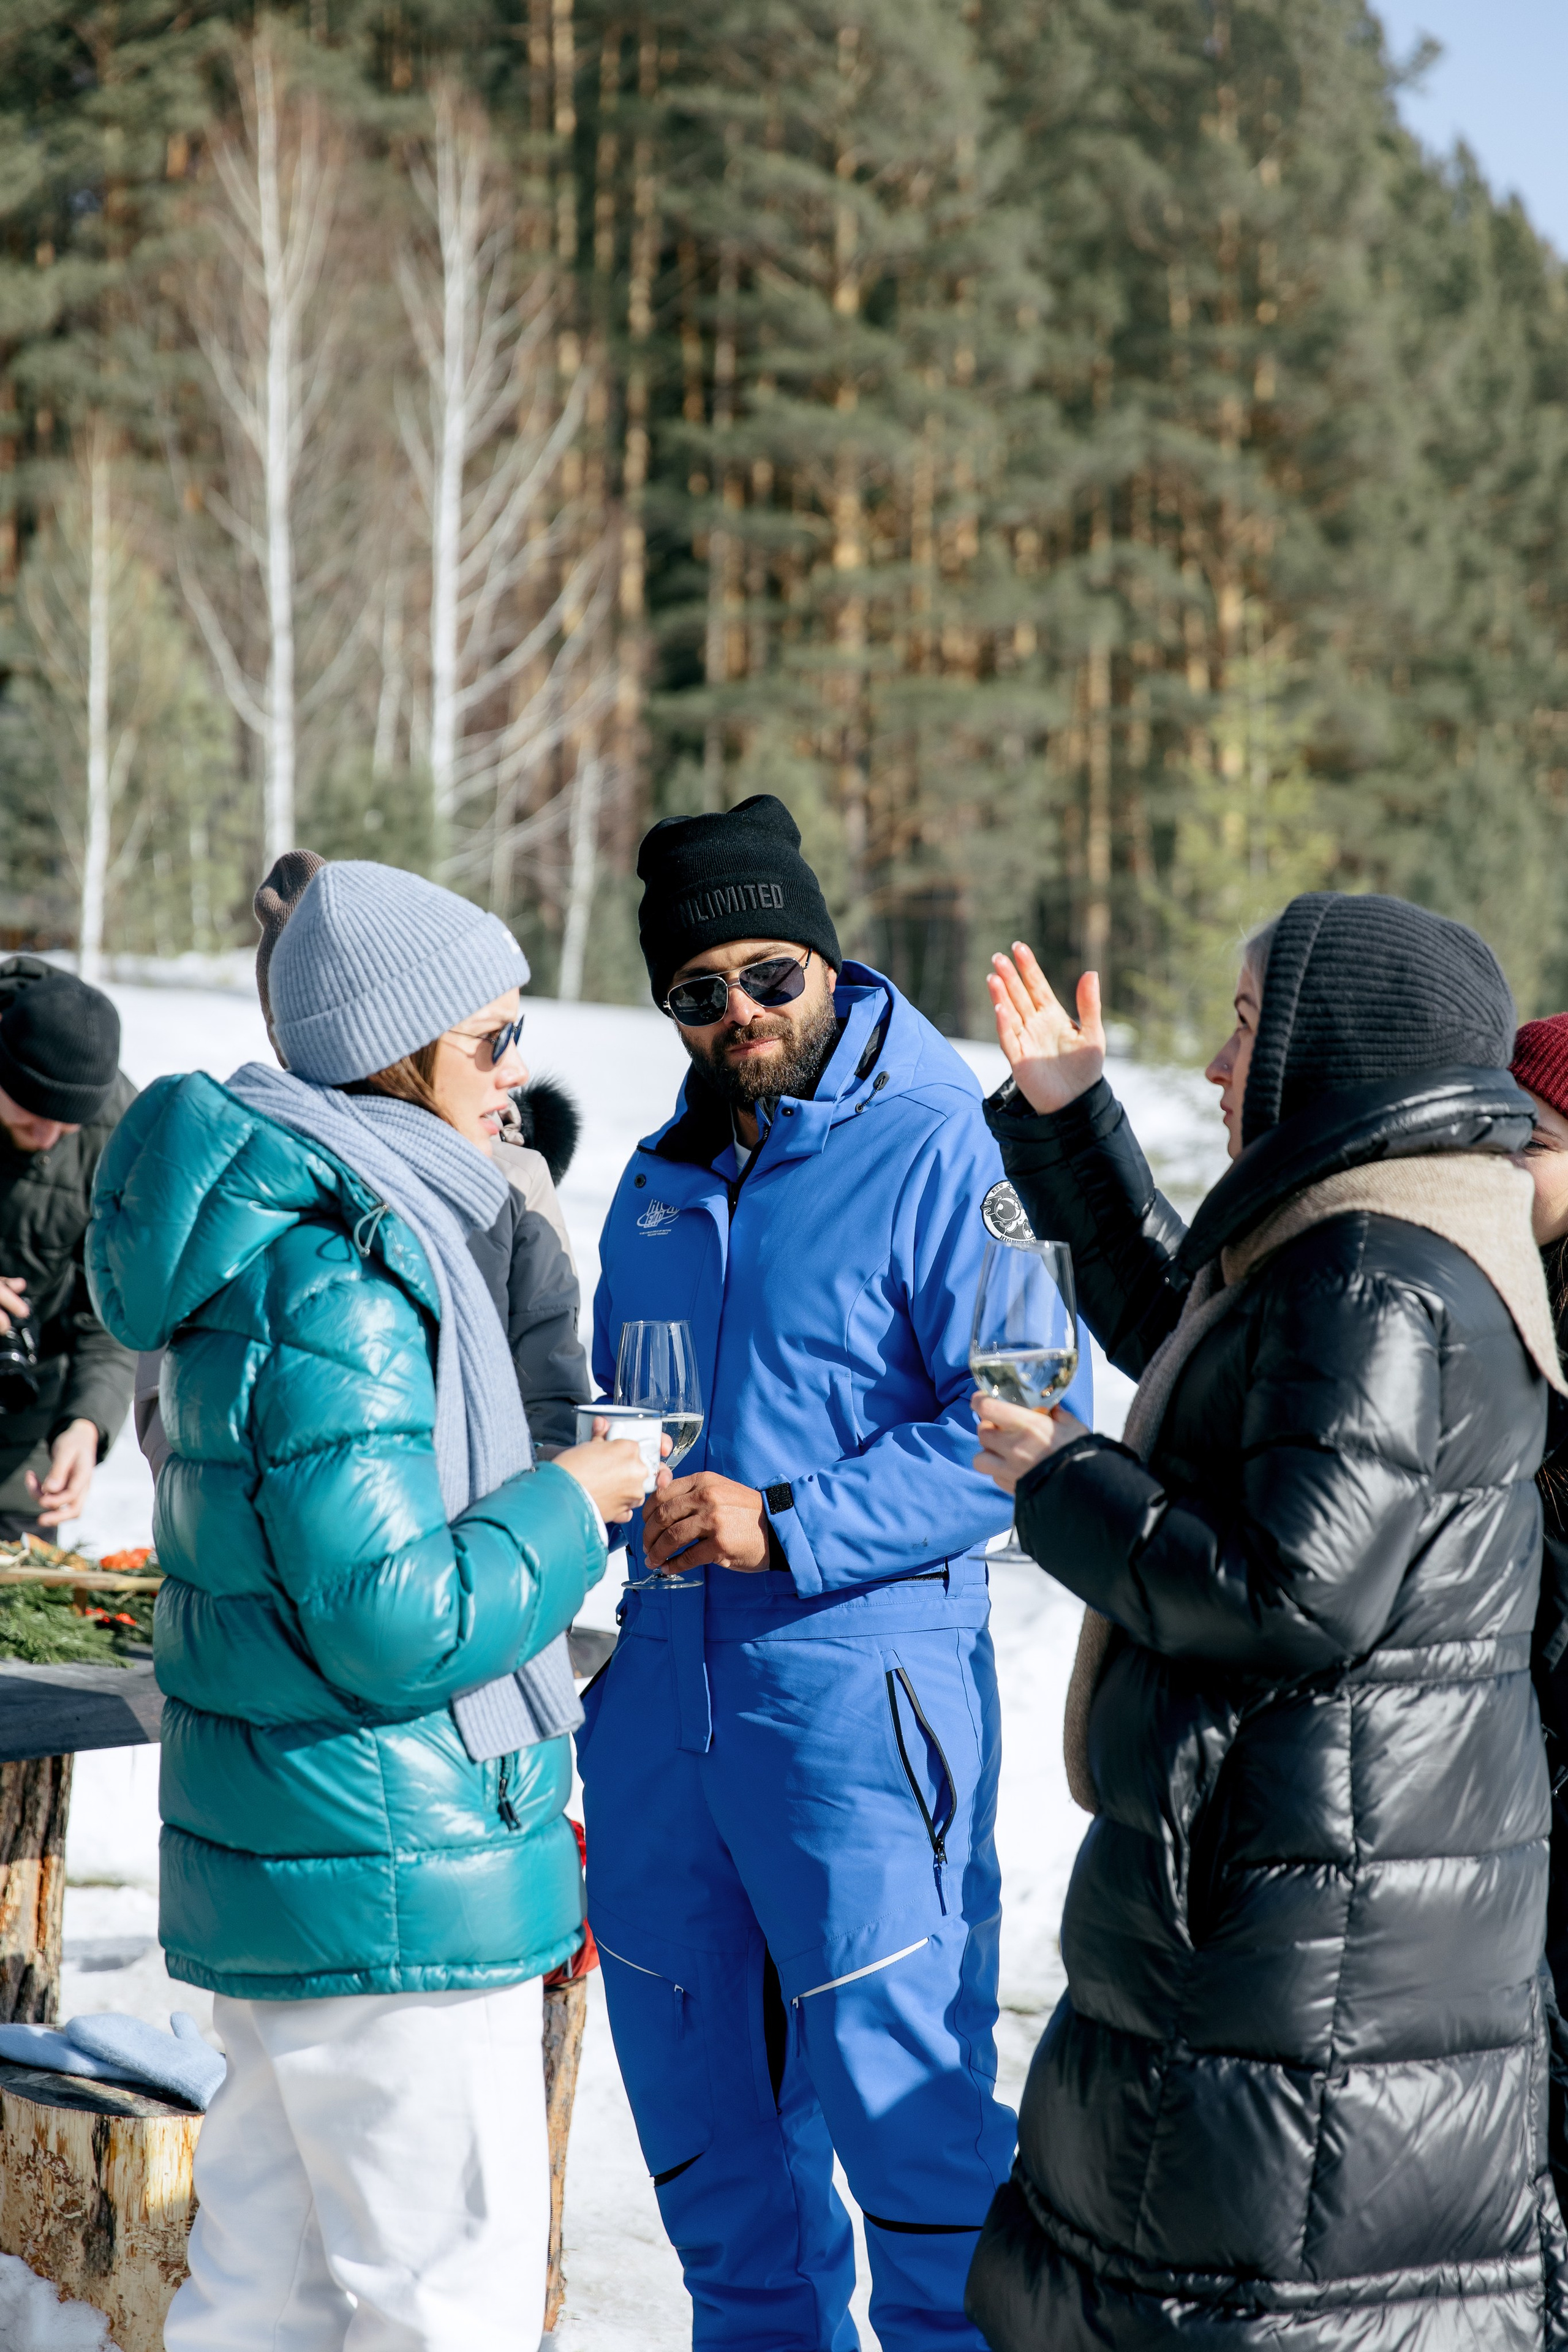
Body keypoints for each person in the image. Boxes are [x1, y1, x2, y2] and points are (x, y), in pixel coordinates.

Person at [963, 895, 1567, 2349]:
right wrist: (1067, 1119)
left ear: (1332, 1046)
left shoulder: (1373, 1268)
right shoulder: (1371, 1237)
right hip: (1314, 1902)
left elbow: (1297, 1588)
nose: (1223, 1062)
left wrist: (1065, 1479)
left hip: (1315, 1944)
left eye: (1246, 1023)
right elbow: (1197, 1324)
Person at [87, 861, 648, 2352]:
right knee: (438, 2311)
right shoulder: (339, 1275)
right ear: (395, 1050)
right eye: (488, 1037)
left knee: (261, 2299)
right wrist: (571, 1495)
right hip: (389, 1866)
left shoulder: (283, 1239)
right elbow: (391, 1617)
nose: (516, 1072)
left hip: (312, 1858)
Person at [579, 794, 1090, 2352]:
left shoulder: (944, 1140)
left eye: (766, 973)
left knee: (919, 2171)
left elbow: (1025, 1425)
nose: (735, 1011)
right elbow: (627, 1417)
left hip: (860, 1721)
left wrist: (785, 1517)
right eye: (695, 989)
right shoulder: (654, 1183)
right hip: (668, 1734)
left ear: (823, 954)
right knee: (720, 2193)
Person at [0, 957, 135, 1539]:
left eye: (69, 1123)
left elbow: (110, 1308)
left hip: (25, 1424)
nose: (50, 1138)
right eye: (32, 1116)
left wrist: (86, 1423)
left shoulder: (118, 1130)